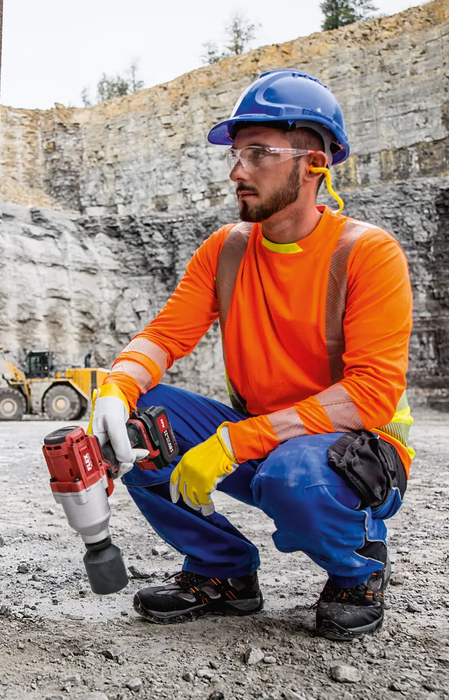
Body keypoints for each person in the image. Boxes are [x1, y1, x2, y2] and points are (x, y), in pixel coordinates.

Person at [89, 69, 414, 640]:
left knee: (295, 475)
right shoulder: (227, 250)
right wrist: (116, 388)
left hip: (350, 451)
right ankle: (223, 572)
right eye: (236, 153)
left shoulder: (368, 254)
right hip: (261, 432)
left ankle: (358, 570)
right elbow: (166, 336)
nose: (238, 170)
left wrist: (234, 444)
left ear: (314, 162)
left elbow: (371, 395)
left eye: (258, 152)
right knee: (143, 422)